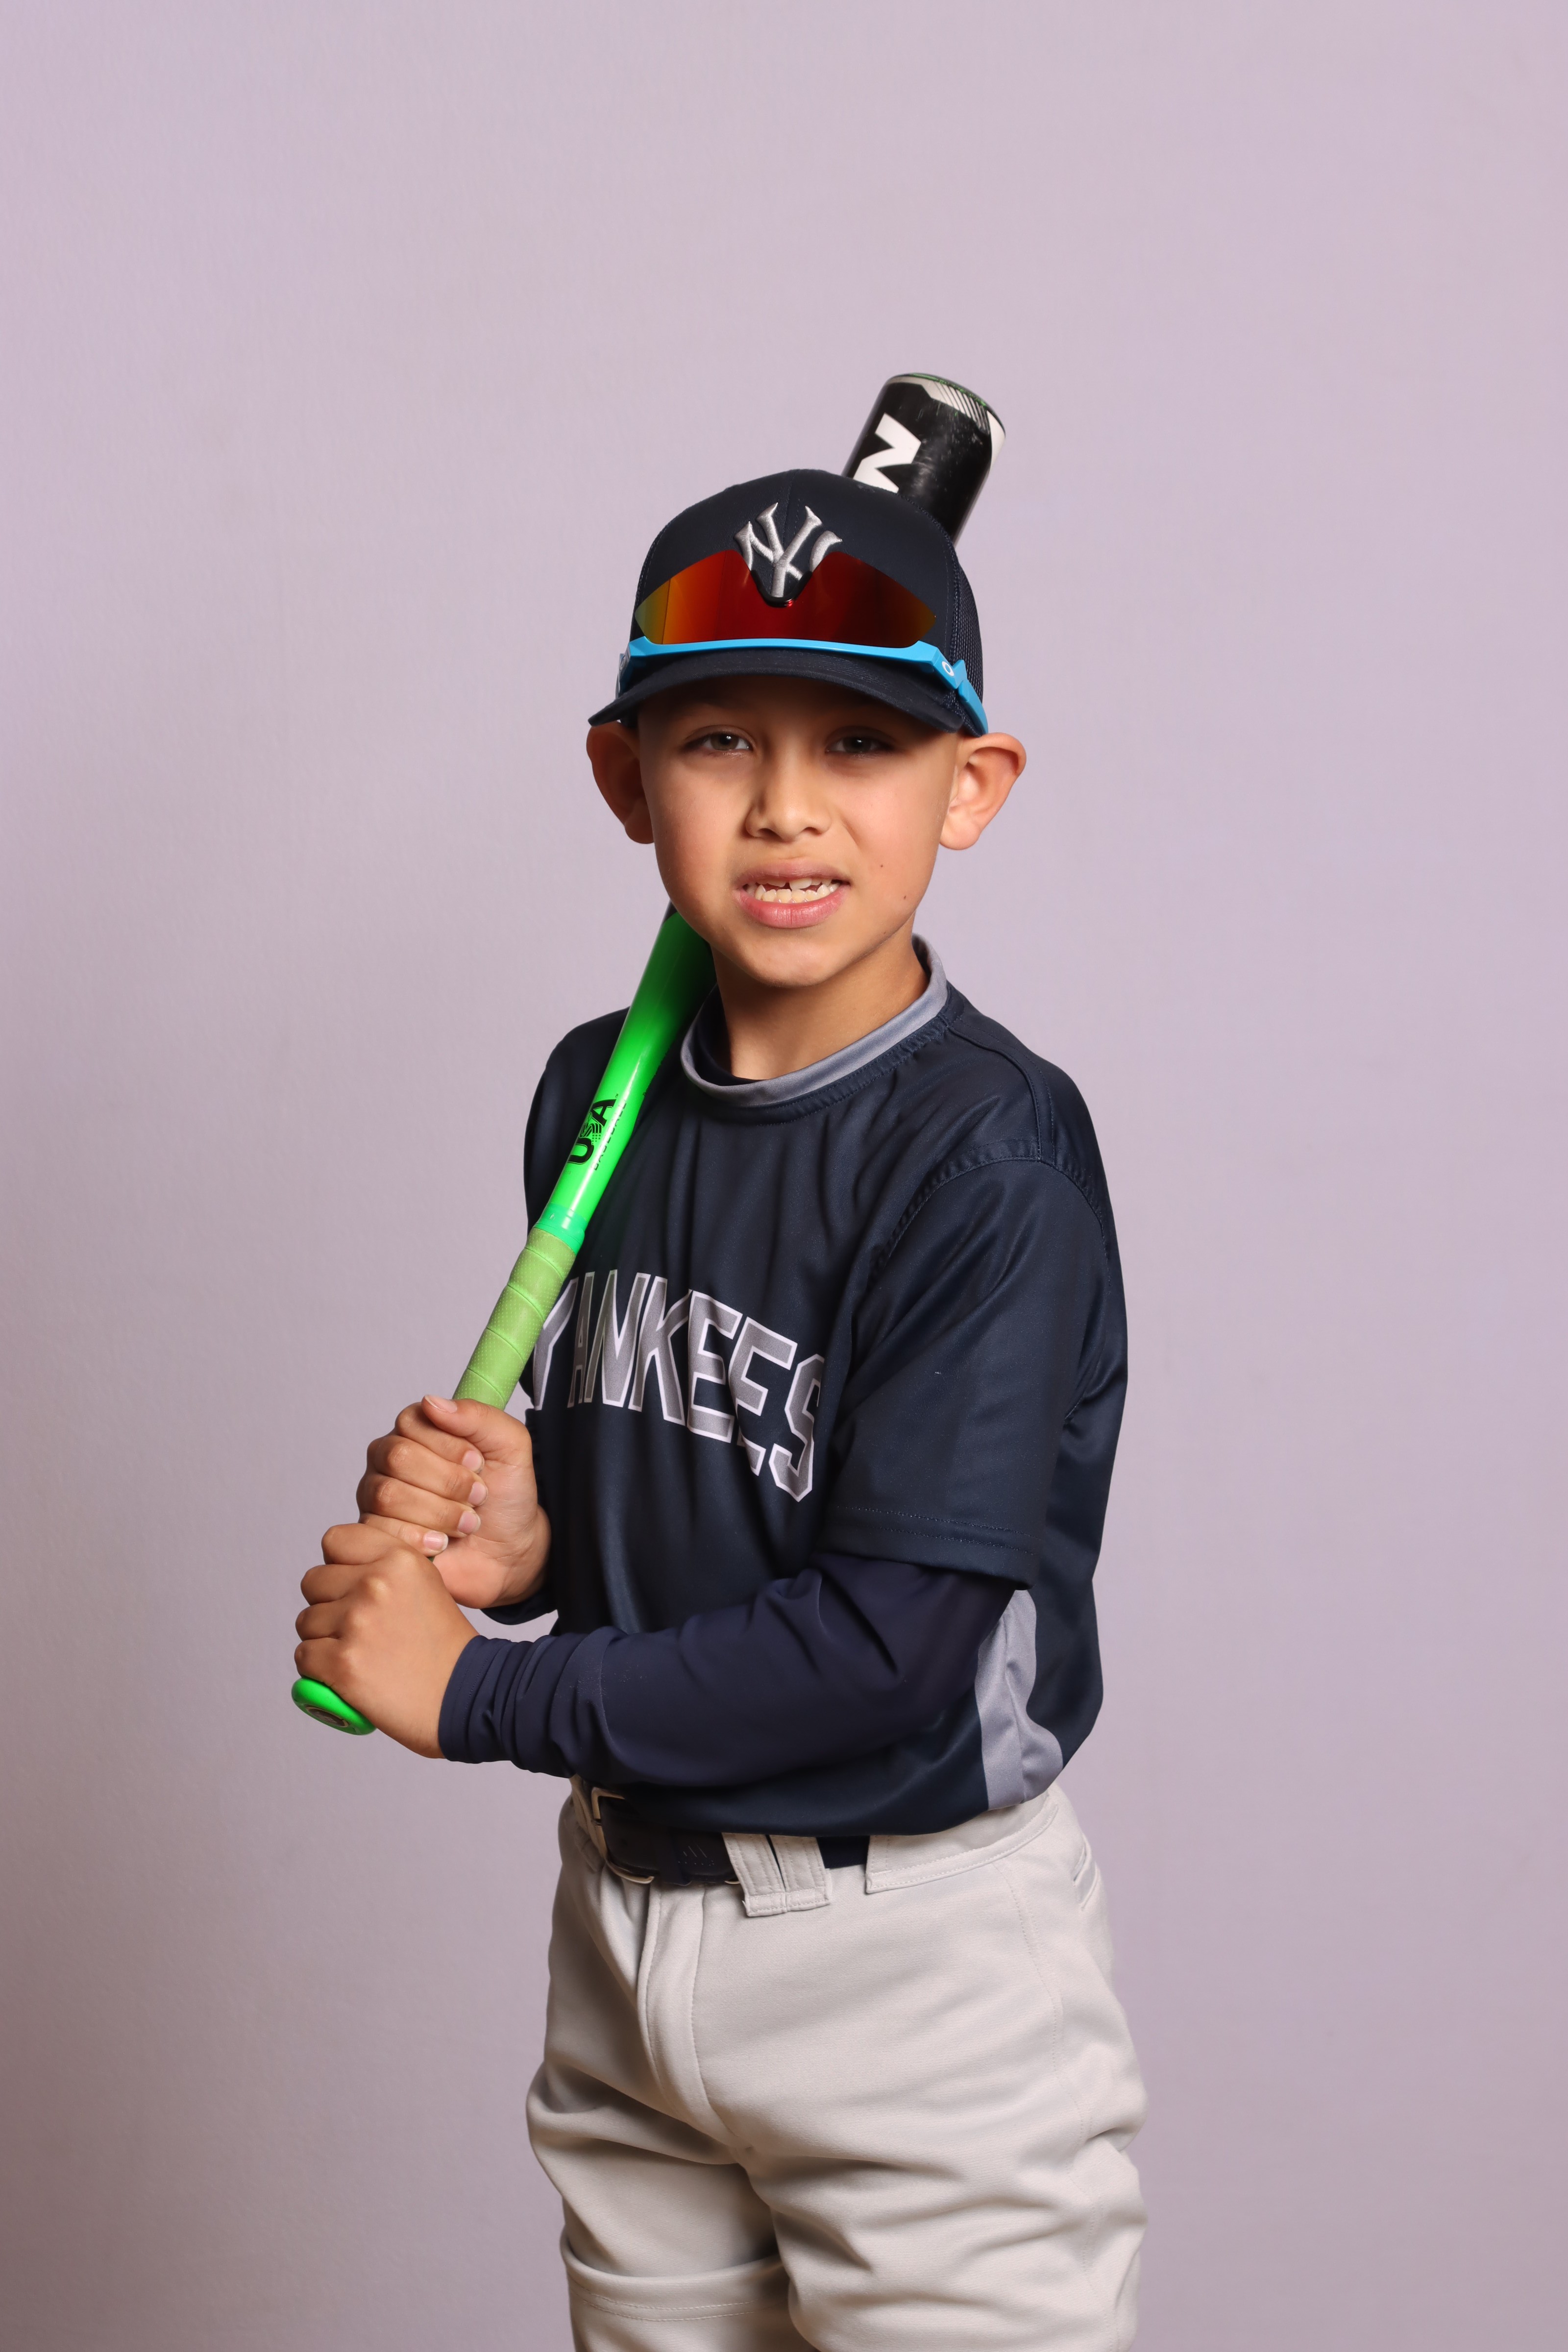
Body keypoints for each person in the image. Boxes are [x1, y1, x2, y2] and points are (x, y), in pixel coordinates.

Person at [294, 467, 1148, 2350]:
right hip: (625, 1926)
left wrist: (478, 1690)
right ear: (625, 781)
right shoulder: (593, 1093)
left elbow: (890, 1646)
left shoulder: (987, 1157)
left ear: (972, 788)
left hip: (910, 1961)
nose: (785, 807)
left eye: (861, 743)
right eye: (717, 741)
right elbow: (700, 1497)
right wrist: (534, 1542)